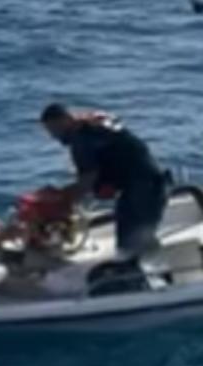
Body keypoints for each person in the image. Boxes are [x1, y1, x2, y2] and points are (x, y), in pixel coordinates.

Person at [39, 102, 169, 260]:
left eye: (54, 130)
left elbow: (87, 180)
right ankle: (158, 269)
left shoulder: (81, 140)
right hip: (149, 182)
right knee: (137, 234)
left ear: (65, 120)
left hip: (142, 189)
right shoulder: (94, 121)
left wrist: (61, 200)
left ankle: (147, 277)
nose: (54, 136)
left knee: (130, 244)